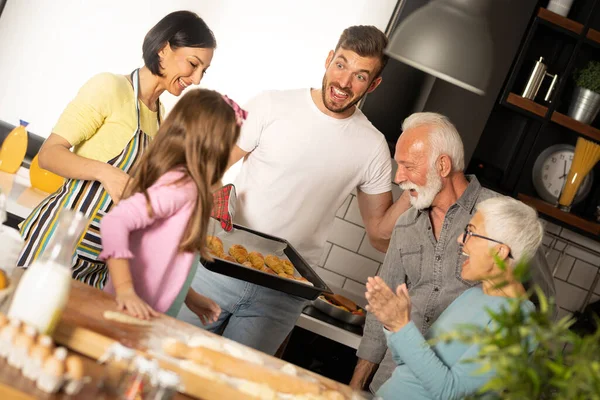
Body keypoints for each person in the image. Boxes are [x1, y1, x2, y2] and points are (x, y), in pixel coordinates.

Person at [177, 25, 411, 355]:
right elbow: (208, 167)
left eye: (360, 76)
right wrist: (215, 200)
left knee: (235, 389)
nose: (344, 83)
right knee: (167, 357)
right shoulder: (271, 105)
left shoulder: (371, 147)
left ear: (374, 84)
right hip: (218, 268)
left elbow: (377, 234)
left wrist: (415, 191)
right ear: (329, 59)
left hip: (282, 294)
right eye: (341, 65)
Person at [350, 112, 556, 393]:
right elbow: (381, 315)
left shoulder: (499, 218)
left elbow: (542, 310)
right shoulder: (407, 223)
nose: (399, 177)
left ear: (443, 165)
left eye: (408, 166)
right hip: (392, 382)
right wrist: (354, 388)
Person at [17, 11, 216, 289]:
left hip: (100, 265)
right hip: (53, 249)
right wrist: (104, 172)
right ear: (163, 49)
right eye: (193, 64)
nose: (196, 79)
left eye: (203, 71)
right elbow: (49, 154)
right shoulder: (110, 88)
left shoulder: (162, 118)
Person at [366, 196, 541, 399]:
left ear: (499, 251)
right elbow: (409, 365)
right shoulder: (472, 295)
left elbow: (450, 392)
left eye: (472, 232)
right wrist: (393, 325)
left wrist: (402, 327)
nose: (461, 239)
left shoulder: (518, 320)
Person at [98, 89, 245, 321]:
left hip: (149, 316)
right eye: (228, 143)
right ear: (211, 145)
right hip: (130, 314)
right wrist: (125, 289)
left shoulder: (191, 188)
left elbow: (163, 254)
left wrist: (189, 295)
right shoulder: (181, 187)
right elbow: (114, 222)